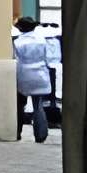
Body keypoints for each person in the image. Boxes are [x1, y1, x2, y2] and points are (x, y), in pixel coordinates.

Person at [12, 13, 62, 141]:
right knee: (38, 106)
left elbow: (15, 59)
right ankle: (40, 135)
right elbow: (51, 59)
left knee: (20, 106)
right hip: (40, 75)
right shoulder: (42, 40)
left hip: (23, 75)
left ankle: (17, 132)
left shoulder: (17, 42)